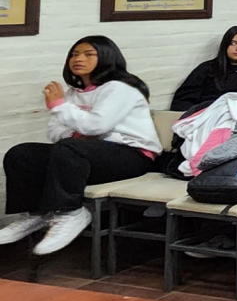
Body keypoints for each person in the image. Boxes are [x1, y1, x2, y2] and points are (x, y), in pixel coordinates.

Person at [1, 36, 161, 254]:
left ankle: (71, 212)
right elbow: (55, 132)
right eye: (74, 54)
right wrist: (80, 130)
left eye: (88, 54)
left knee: (69, 148)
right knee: (22, 153)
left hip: (133, 156)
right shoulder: (72, 94)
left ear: (106, 57)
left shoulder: (119, 88)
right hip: (85, 156)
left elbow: (96, 125)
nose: (79, 59)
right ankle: (36, 215)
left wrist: (61, 110)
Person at [171, 26, 237, 110]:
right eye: (233, 43)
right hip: (212, 115)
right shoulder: (207, 69)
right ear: (225, 45)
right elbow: (181, 101)